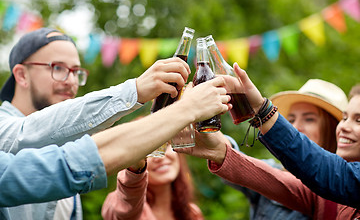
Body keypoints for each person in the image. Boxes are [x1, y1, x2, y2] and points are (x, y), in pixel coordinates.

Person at [0, 27, 192, 220]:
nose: (71, 81)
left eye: (76, 71)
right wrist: (135, 91)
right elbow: (24, 134)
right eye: (58, 68)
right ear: (22, 75)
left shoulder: (67, 150)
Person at [0, 78, 230, 212]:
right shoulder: (120, 202)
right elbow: (63, 165)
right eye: (152, 142)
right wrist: (185, 109)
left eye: (167, 144)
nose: (70, 81)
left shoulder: (191, 212)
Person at [176, 64, 360, 217]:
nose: (345, 127)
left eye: (358, 120)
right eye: (345, 118)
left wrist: (262, 110)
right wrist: (221, 152)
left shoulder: (337, 178)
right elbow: (273, 179)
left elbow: (328, 171)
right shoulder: (315, 193)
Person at [222, 79, 346, 219]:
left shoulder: (345, 188)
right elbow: (237, 163)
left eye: (309, 119)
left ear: (332, 129)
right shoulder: (273, 170)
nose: (296, 127)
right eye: (291, 120)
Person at [101, 142, 204, 220]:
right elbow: (126, 205)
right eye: (148, 151)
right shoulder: (118, 203)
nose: (160, 157)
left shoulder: (192, 213)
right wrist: (135, 170)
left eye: (165, 145)